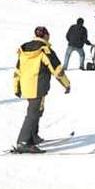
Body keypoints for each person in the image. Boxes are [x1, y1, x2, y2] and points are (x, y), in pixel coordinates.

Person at [13, 26, 71, 154]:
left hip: (27, 85)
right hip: (38, 86)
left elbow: (18, 70)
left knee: (38, 110)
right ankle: (23, 142)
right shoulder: (45, 50)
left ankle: (33, 136)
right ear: (45, 36)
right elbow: (57, 70)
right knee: (33, 114)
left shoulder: (24, 49)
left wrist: (16, 87)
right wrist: (66, 84)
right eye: (48, 34)